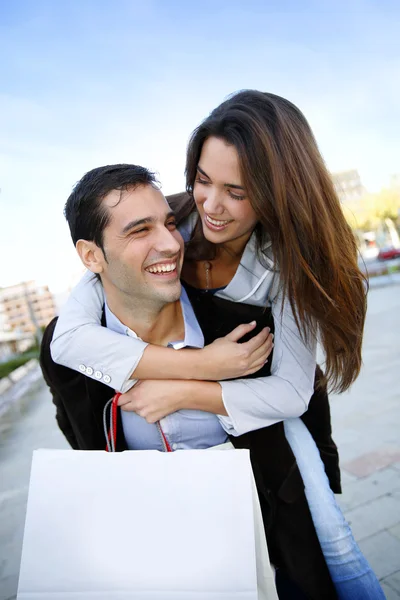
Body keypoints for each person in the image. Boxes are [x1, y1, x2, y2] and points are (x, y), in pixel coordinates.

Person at [49, 91, 384, 599]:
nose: (212, 205)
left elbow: (290, 394)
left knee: (331, 542)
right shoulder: (174, 222)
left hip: (268, 400)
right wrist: (198, 366)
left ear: (278, 194)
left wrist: (184, 392)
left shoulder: (289, 267)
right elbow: (71, 336)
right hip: (213, 390)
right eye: (202, 180)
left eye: (238, 191)